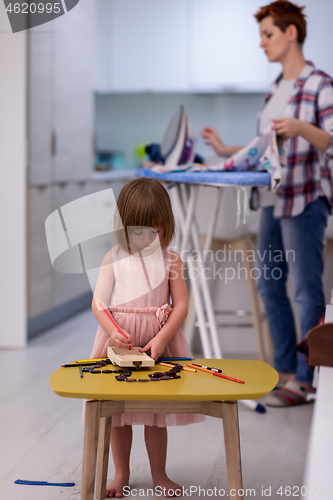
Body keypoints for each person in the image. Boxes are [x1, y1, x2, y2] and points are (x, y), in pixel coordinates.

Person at [201, 0, 333, 407]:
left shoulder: (320, 84)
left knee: (306, 291)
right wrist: (226, 148)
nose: (262, 43)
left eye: (268, 34)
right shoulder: (275, 89)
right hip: (273, 200)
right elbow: (266, 148)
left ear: (290, 33)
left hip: (305, 199)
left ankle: (307, 381)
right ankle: (285, 372)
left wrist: (300, 127)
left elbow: (329, 140)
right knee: (268, 285)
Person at [90, 177, 203, 497]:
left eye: (156, 231)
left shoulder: (171, 260)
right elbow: (98, 304)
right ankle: (121, 473)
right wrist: (113, 332)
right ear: (123, 226)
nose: (147, 238)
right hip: (120, 343)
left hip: (158, 342)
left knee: (156, 416)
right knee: (118, 415)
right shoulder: (112, 258)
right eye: (138, 231)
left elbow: (181, 305)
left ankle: (159, 474)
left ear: (166, 226)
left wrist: (164, 338)